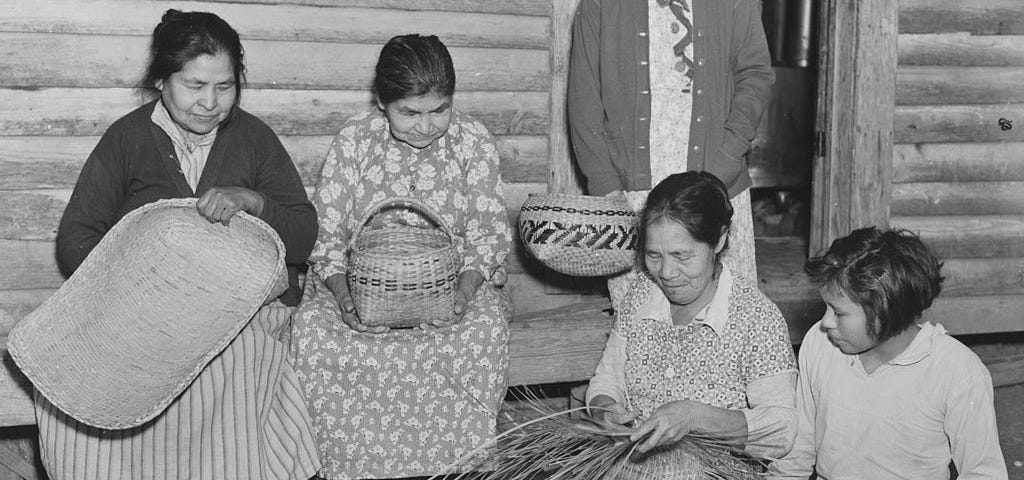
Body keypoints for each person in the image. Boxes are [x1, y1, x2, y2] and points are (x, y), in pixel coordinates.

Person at [48, 10, 320, 480]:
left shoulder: (254, 139)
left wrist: (254, 201)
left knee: (227, 365)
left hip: (239, 310)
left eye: (225, 87)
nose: (210, 103)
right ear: (161, 81)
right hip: (141, 308)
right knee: (81, 375)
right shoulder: (128, 139)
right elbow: (75, 239)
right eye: (194, 86)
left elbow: (302, 236)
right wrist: (137, 276)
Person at [289, 34, 512, 479]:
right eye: (409, 112)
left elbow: (488, 235)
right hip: (359, 282)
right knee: (313, 332)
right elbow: (327, 233)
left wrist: (462, 298)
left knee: (483, 332)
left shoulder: (473, 141)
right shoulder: (356, 139)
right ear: (381, 101)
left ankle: (458, 467)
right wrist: (345, 297)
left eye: (439, 110)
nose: (426, 125)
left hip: (453, 283)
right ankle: (346, 467)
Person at [586, 172, 798, 476]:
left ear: (719, 239)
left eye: (682, 256)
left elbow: (781, 431)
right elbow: (607, 378)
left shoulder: (755, 317)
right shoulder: (641, 295)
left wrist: (695, 417)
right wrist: (605, 409)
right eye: (653, 255)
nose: (667, 272)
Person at [567, 0, 773, 309]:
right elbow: (584, 97)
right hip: (632, 199)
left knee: (728, 322)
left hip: (717, 185)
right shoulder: (599, 4)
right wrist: (606, 187)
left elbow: (755, 76)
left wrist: (723, 167)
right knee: (646, 330)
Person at [768, 227, 1008, 479]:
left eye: (838, 312)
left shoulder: (956, 371)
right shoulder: (820, 343)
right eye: (826, 307)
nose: (826, 322)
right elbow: (796, 453)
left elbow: (984, 473)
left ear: (884, 311)